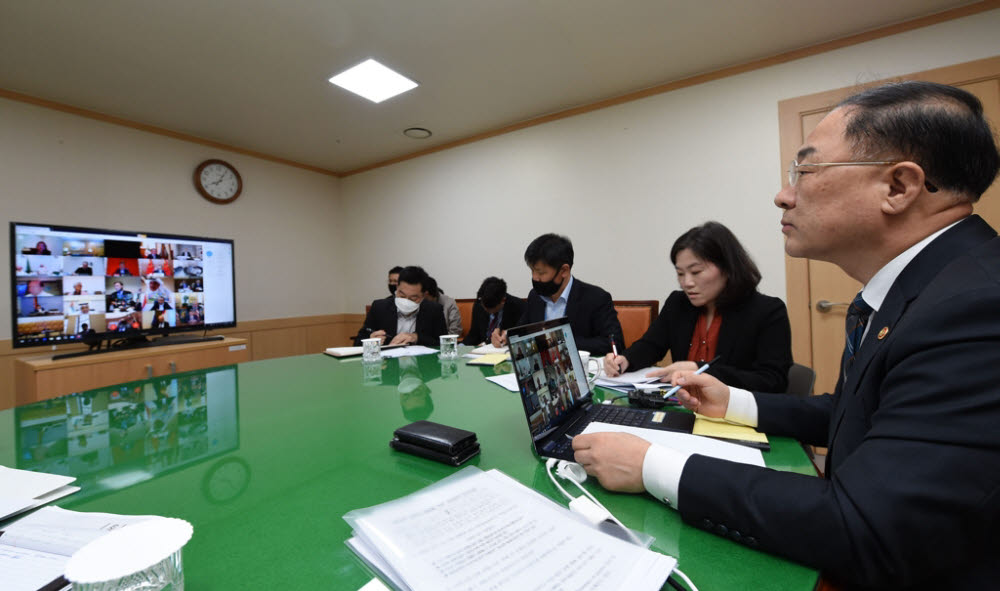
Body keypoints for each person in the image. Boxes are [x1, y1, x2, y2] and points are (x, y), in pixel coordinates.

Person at [572, 81, 1000, 590]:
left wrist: (653, 467)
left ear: (898, 187)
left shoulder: (975, 306)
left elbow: (864, 524)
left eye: (805, 170)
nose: (783, 194)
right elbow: (855, 411)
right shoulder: (929, 287)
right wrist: (734, 402)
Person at [603, 222, 792, 392]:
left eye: (696, 272)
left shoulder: (767, 311)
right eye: (680, 273)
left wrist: (700, 369)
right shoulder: (678, 304)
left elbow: (773, 380)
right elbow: (651, 345)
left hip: (735, 417)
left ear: (727, 268)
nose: (687, 282)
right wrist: (625, 359)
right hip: (684, 403)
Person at [516, 233, 623, 355]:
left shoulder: (596, 298)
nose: (535, 278)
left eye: (541, 273)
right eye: (532, 271)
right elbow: (522, 332)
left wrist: (561, 341)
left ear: (564, 270)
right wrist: (505, 336)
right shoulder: (535, 296)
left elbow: (614, 344)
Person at [355, 266, 447, 347]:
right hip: (388, 364)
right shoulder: (379, 307)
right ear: (397, 288)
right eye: (402, 295)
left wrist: (416, 337)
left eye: (413, 298)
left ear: (423, 296)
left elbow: (443, 343)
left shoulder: (434, 310)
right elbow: (357, 342)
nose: (406, 301)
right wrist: (371, 339)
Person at [462, 276, 525, 346]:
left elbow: (520, 335)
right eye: (484, 307)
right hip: (481, 350)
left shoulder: (518, 306)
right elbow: (473, 334)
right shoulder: (479, 304)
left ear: (503, 300)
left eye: (490, 309)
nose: (485, 310)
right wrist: (461, 347)